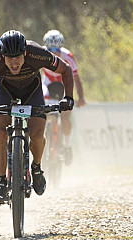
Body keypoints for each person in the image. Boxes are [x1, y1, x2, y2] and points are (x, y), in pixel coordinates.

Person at [0, 30, 74, 204]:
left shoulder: (37, 53)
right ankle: (1, 182)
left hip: (32, 90)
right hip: (4, 90)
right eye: (9, 59)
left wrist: (68, 97)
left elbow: (65, 70)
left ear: (25, 53)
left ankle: (36, 168)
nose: (14, 64)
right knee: (0, 132)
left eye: (18, 58)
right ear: (2, 55)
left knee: (37, 134)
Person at [42, 30, 86, 165]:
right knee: (43, 114)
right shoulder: (41, 53)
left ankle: (67, 146)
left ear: (60, 47)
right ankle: (44, 141)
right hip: (48, 83)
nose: (53, 52)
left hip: (63, 83)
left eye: (56, 49)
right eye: (50, 49)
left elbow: (76, 78)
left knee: (66, 117)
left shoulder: (68, 56)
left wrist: (81, 98)